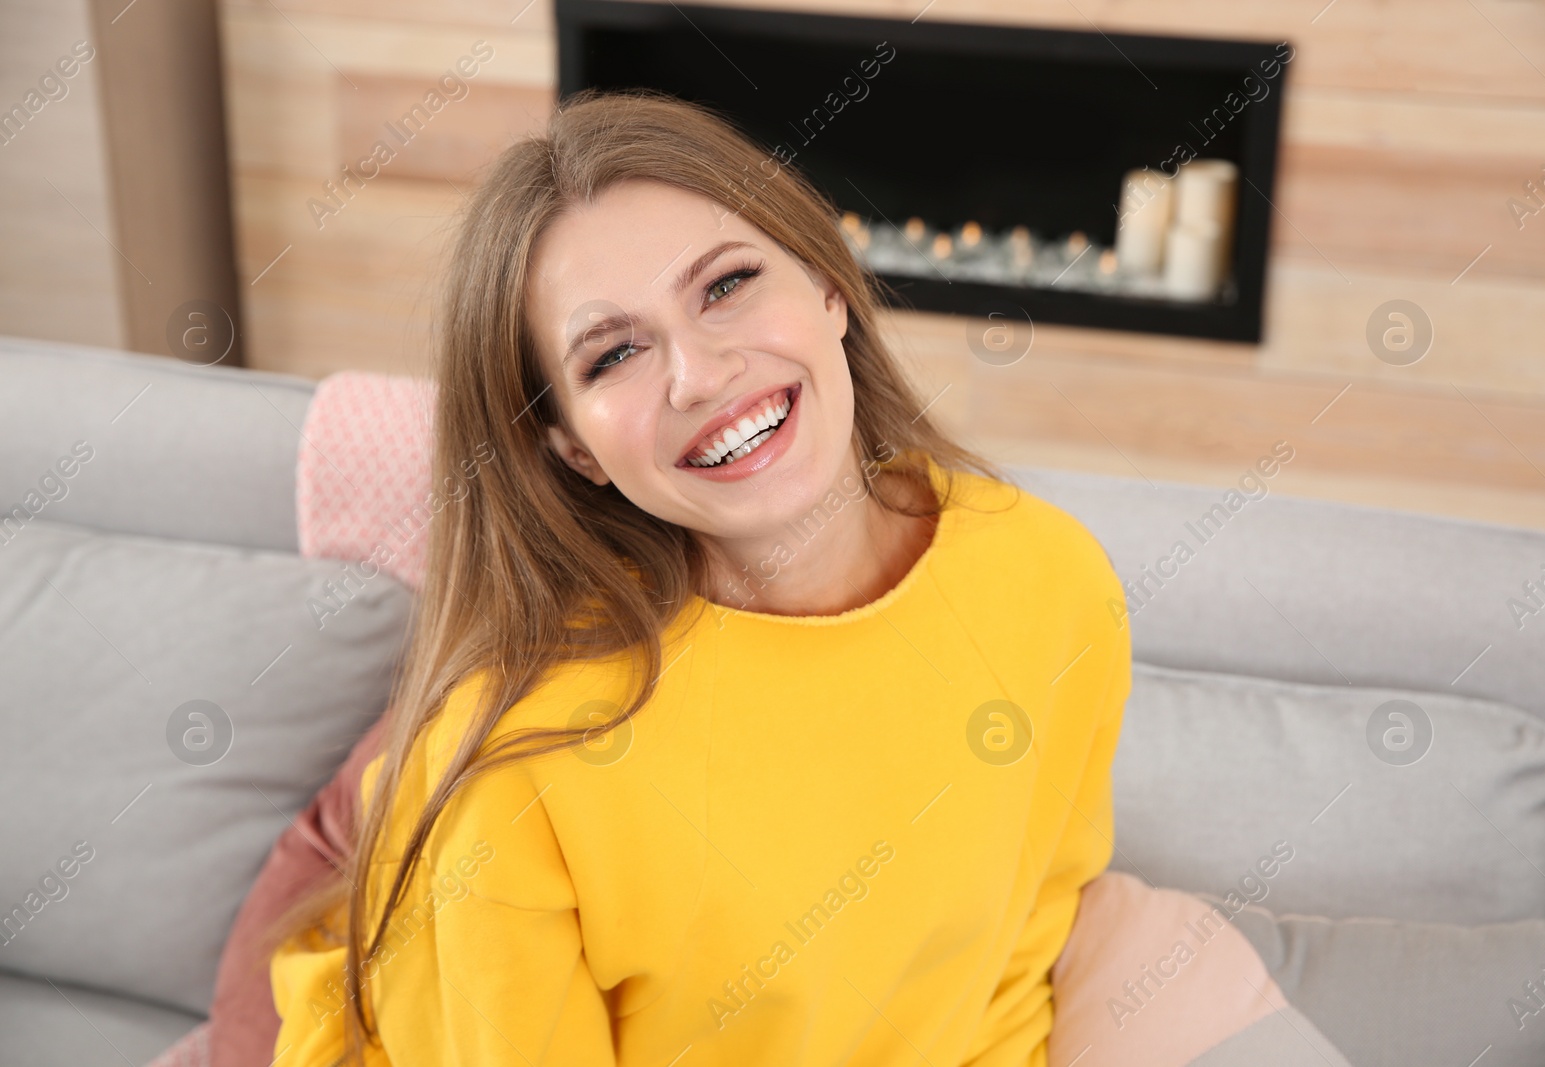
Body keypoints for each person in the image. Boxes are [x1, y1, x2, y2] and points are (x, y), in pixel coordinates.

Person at [265, 87, 1131, 1067]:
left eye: (724, 285)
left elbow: (1016, 971)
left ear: (826, 287)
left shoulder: (1049, 577)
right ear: (574, 448)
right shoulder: (521, 769)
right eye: (616, 352)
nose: (701, 373)